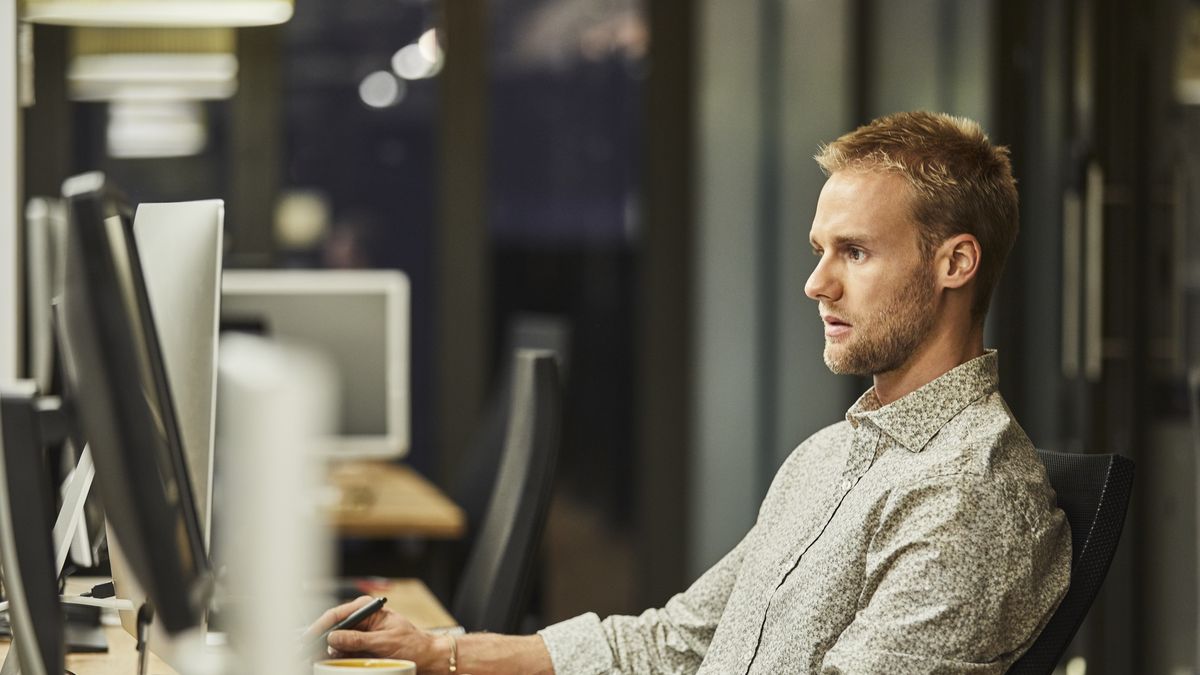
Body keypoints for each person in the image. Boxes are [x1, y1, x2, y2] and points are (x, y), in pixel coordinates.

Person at [306, 111, 1071, 674]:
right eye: (818, 251)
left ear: (955, 264)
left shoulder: (965, 491)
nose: (816, 283)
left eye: (856, 252)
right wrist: (440, 650)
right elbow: (678, 640)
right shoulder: (832, 454)